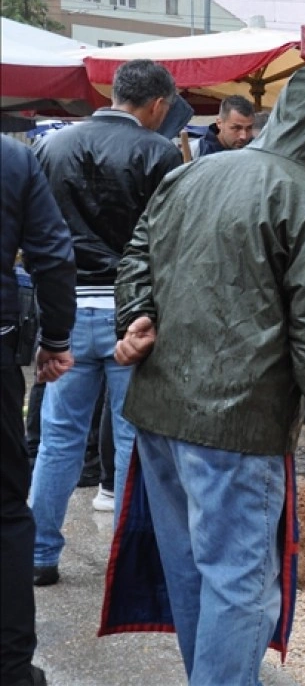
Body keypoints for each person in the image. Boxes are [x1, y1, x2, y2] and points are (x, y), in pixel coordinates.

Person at [108, 65, 305, 684]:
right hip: (238, 424)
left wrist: (138, 312)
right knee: (240, 584)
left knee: (193, 569)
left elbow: (136, 250)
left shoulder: (193, 172)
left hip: (160, 413)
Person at [29, 59, 183, 586]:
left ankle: (39, 554)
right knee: (133, 441)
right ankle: (130, 564)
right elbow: (168, 242)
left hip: (66, 313)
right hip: (130, 316)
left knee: (58, 441)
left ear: (113, 92)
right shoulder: (159, 151)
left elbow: (39, 239)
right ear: (159, 105)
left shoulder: (51, 147)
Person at [1, 136, 76, 686]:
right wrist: (55, 335)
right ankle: (10, 667)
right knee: (5, 509)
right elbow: (52, 254)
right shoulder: (12, 157)